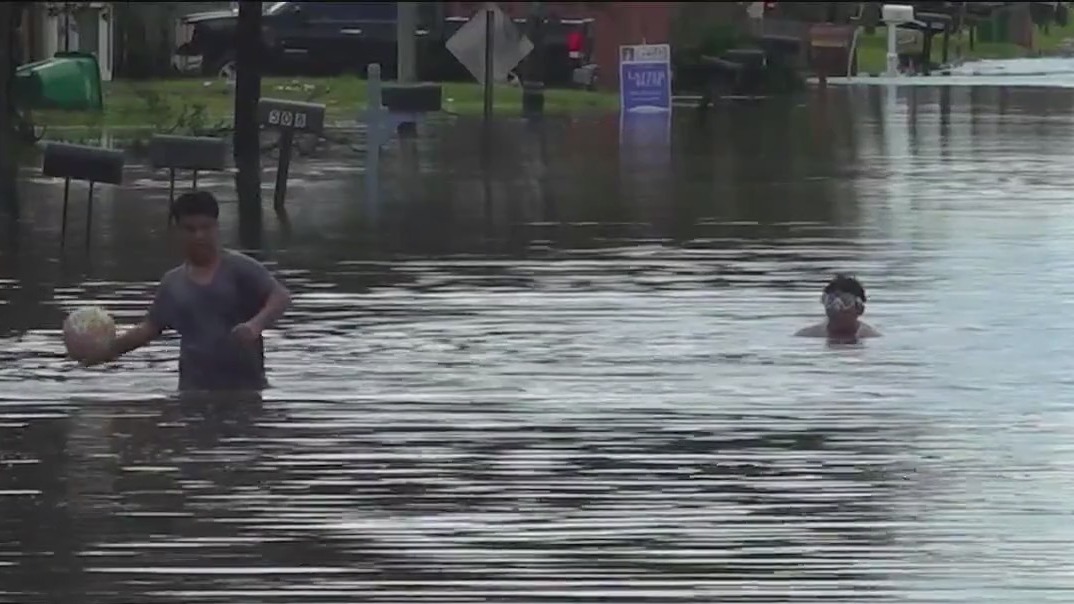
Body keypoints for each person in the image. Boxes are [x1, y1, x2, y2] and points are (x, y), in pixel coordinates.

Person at [75, 191, 291, 391]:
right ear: (177, 231)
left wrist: (256, 324)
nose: (199, 236)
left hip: (244, 388)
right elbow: (149, 329)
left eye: (206, 228)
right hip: (193, 389)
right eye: (190, 229)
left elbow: (280, 296)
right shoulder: (173, 282)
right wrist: (105, 352)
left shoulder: (239, 268)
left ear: (216, 227)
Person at [795, 274, 880, 340]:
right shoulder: (809, 335)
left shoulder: (869, 336)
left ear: (860, 309)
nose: (837, 307)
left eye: (846, 301)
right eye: (830, 301)